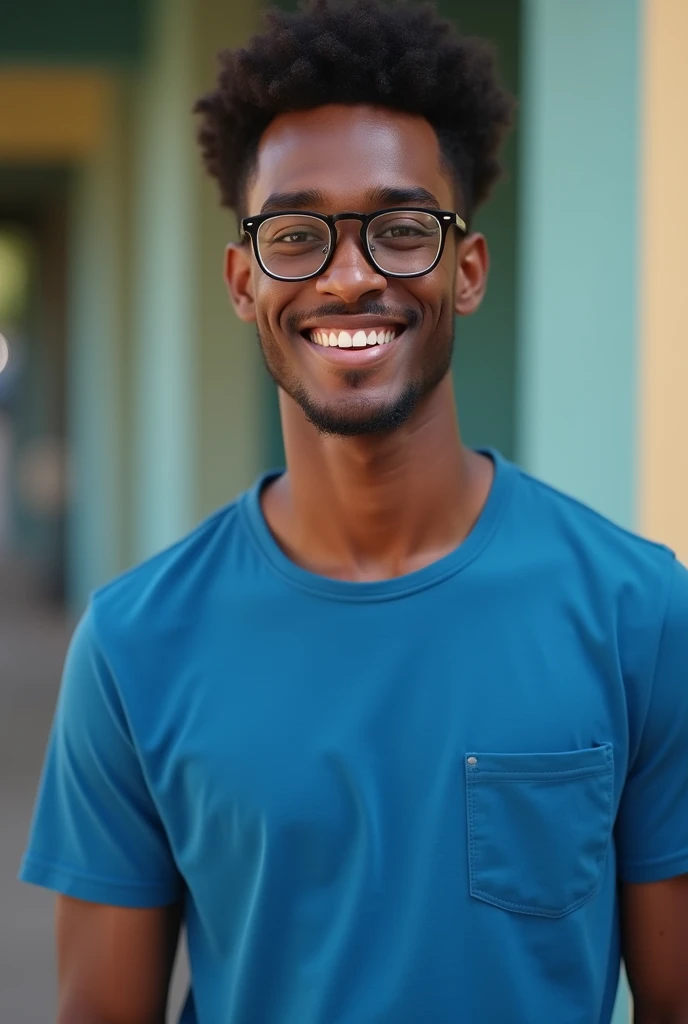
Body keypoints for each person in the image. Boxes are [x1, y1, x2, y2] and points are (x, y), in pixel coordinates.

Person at [21, 2, 688, 1021]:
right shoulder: (135, 643)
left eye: (400, 228)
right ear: (244, 283)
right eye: (296, 234)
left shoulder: (636, 611)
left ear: (464, 269)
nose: (348, 273)